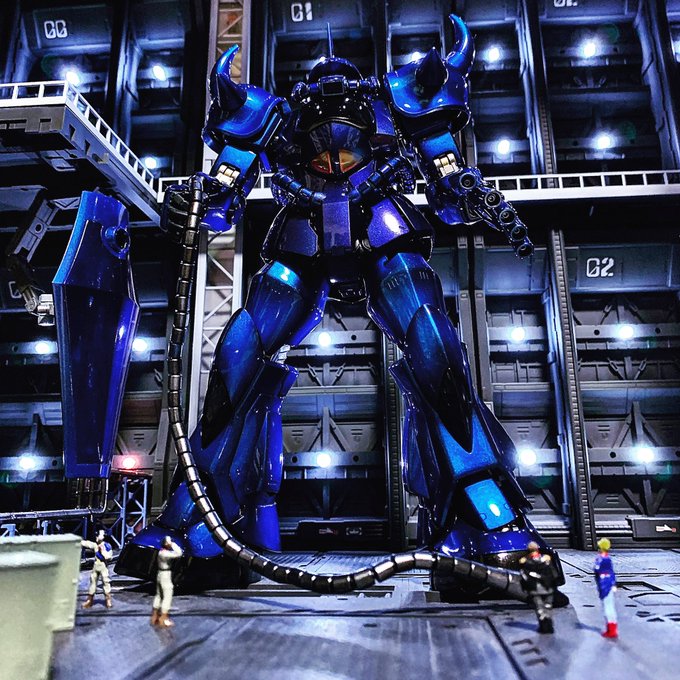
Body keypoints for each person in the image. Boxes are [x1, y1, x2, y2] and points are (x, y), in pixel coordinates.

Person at [519, 541, 557, 633]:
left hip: (535, 588)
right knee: (548, 606)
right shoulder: (546, 559)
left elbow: (524, 577)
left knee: (539, 608)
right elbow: (554, 574)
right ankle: (549, 624)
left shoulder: (525, 561)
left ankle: (544, 626)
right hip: (547, 587)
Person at [151, 536, 183, 627]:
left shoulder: (161, 552)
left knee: (159, 595)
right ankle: (163, 618)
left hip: (160, 574)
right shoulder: (165, 554)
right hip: (165, 575)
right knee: (167, 595)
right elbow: (179, 553)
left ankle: (155, 616)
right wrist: (173, 544)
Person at [81, 529, 113, 609]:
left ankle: (108, 599)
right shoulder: (96, 545)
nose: (96, 537)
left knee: (106, 582)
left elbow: (109, 557)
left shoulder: (107, 546)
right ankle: (89, 600)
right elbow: (88, 544)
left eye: (98, 535)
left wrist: (102, 551)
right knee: (93, 582)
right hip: (96, 566)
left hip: (103, 567)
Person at [594, 537, 618, 639]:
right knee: (608, 605)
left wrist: (613, 584)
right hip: (604, 583)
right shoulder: (604, 558)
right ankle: (610, 629)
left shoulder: (603, 559)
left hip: (605, 584)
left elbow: (598, 569)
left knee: (608, 607)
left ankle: (612, 630)